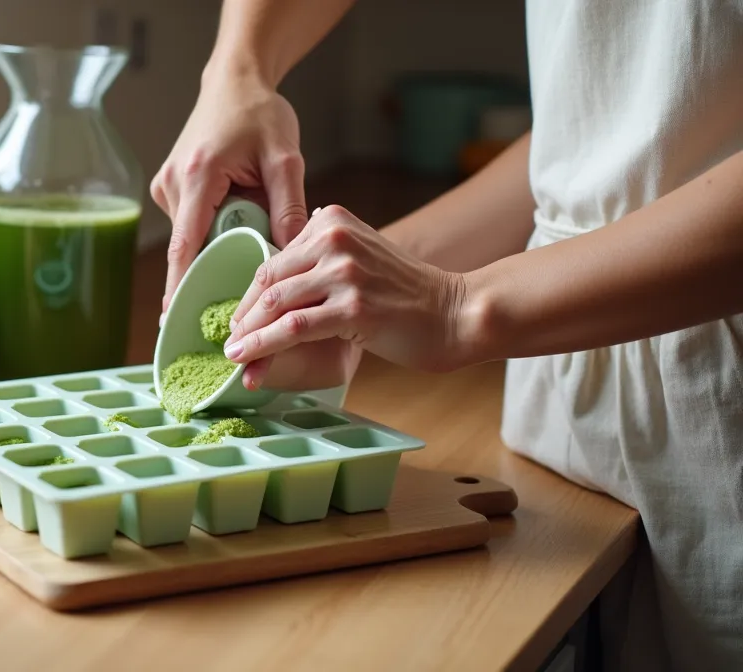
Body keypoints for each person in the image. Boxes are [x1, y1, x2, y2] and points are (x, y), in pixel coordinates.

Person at [152, 0, 743, 669]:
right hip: (562, 453)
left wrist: (462, 308)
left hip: (721, 448)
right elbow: (605, 133)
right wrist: (238, 71)